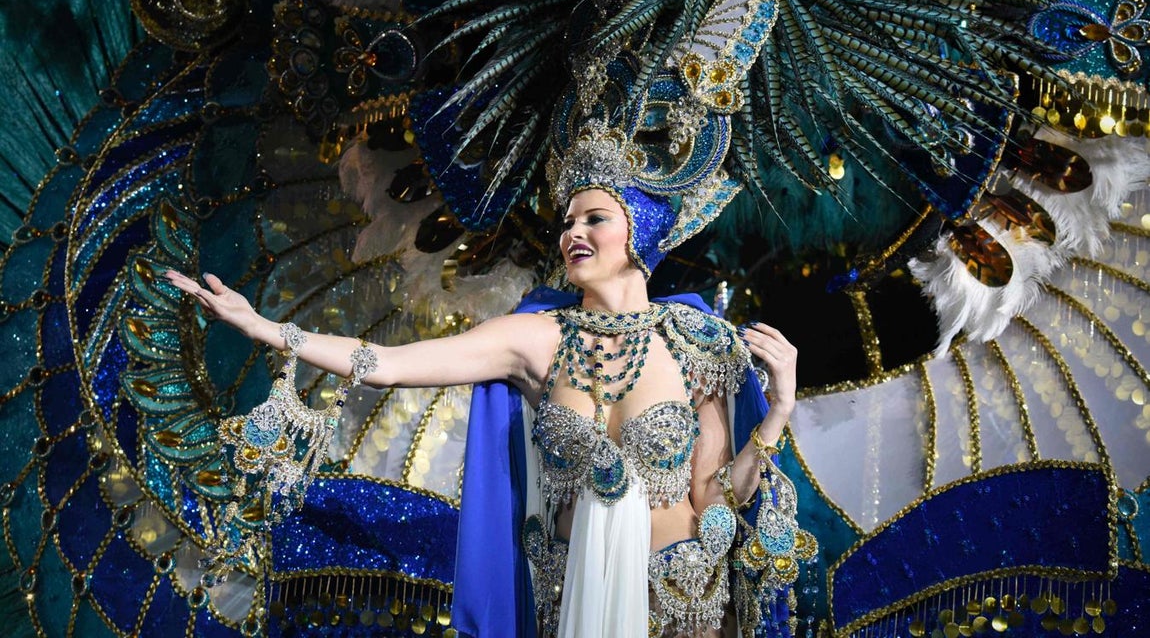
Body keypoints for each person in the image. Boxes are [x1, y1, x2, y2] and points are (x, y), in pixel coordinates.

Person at [166, 180, 802, 638]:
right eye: (567, 221)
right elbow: (386, 362)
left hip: (682, 599)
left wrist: (777, 410)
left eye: (594, 219)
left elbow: (716, 494)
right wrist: (273, 330)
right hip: (571, 601)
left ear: (641, 227)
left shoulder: (698, 341)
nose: (572, 233)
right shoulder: (534, 339)